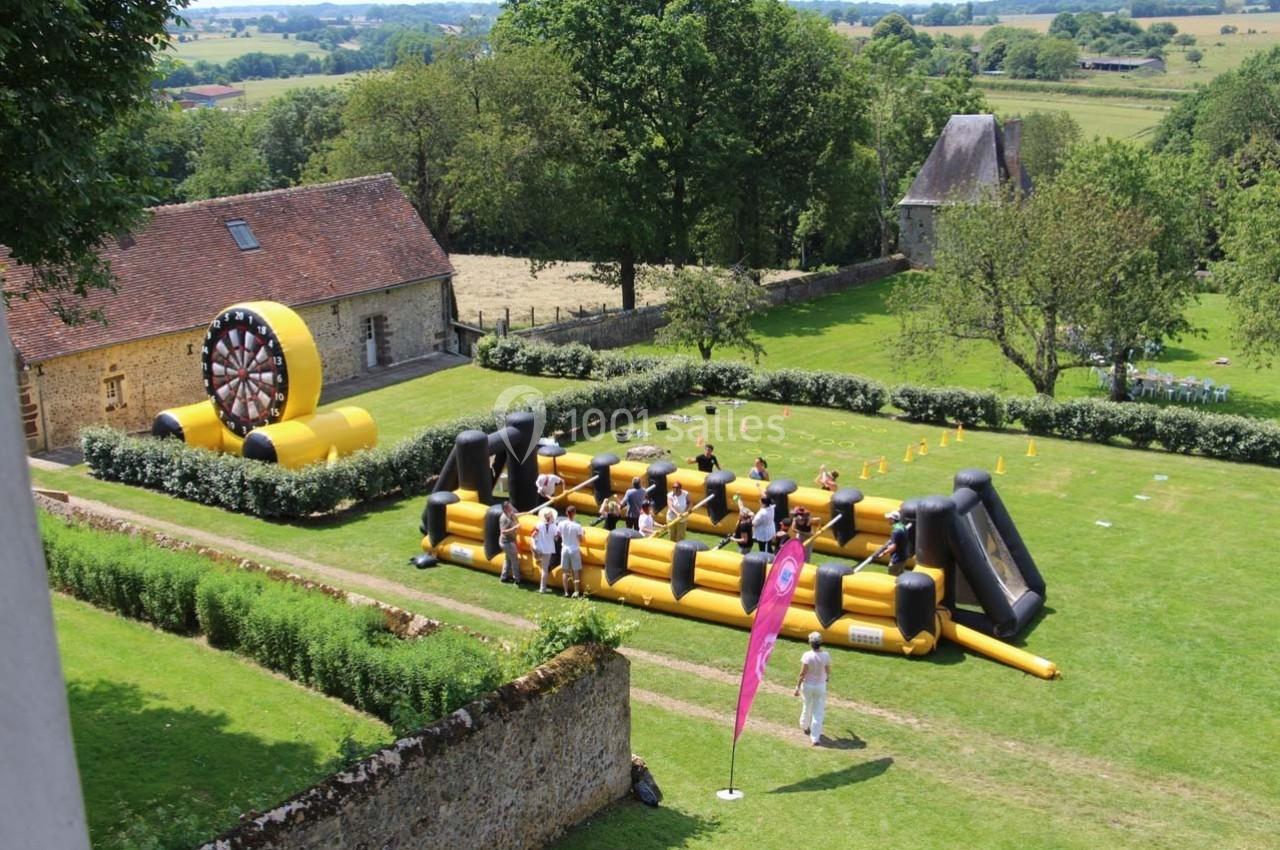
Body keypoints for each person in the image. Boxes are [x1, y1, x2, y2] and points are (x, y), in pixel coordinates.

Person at [794, 631, 831, 746]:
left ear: (810, 643)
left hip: (808, 685)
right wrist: (827, 678)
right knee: (818, 711)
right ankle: (815, 738)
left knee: (807, 704)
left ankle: (804, 725)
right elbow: (827, 670)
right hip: (820, 686)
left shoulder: (807, 655)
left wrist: (797, 687)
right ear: (820, 642)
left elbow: (802, 674)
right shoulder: (826, 655)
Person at [557, 505, 585, 597]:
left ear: (566, 513)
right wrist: (583, 534)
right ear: (574, 513)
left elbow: (558, 535)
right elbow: (581, 540)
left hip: (564, 549)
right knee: (575, 571)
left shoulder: (561, 523)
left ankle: (565, 592)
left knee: (565, 572)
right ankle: (576, 591)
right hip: (574, 550)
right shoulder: (577, 526)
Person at [532, 508, 559, 594]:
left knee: (533, 545)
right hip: (548, 550)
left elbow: (533, 535)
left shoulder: (539, 524)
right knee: (545, 569)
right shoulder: (554, 526)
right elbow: (556, 538)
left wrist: (535, 544)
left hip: (540, 548)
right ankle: (542, 588)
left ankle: (537, 557)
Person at [498, 501, 521, 585]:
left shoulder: (509, 514)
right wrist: (515, 527)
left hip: (508, 541)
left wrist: (527, 513)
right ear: (505, 509)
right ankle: (517, 579)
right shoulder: (504, 518)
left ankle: (504, 577)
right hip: (507, 542)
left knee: (508, 559)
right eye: (509, 507)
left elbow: (516, 515)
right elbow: (503, 532)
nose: (511, 507)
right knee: (515, 560)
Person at [884, 510, 912, 576]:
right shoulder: (903, 526)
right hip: (903, 556)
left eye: (889, 518)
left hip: (897, 558)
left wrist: (884, 552)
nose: (888, 520)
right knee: (900, 575)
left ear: (893, 520)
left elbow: (893, 547)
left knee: (892, 577)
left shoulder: (895, 531)